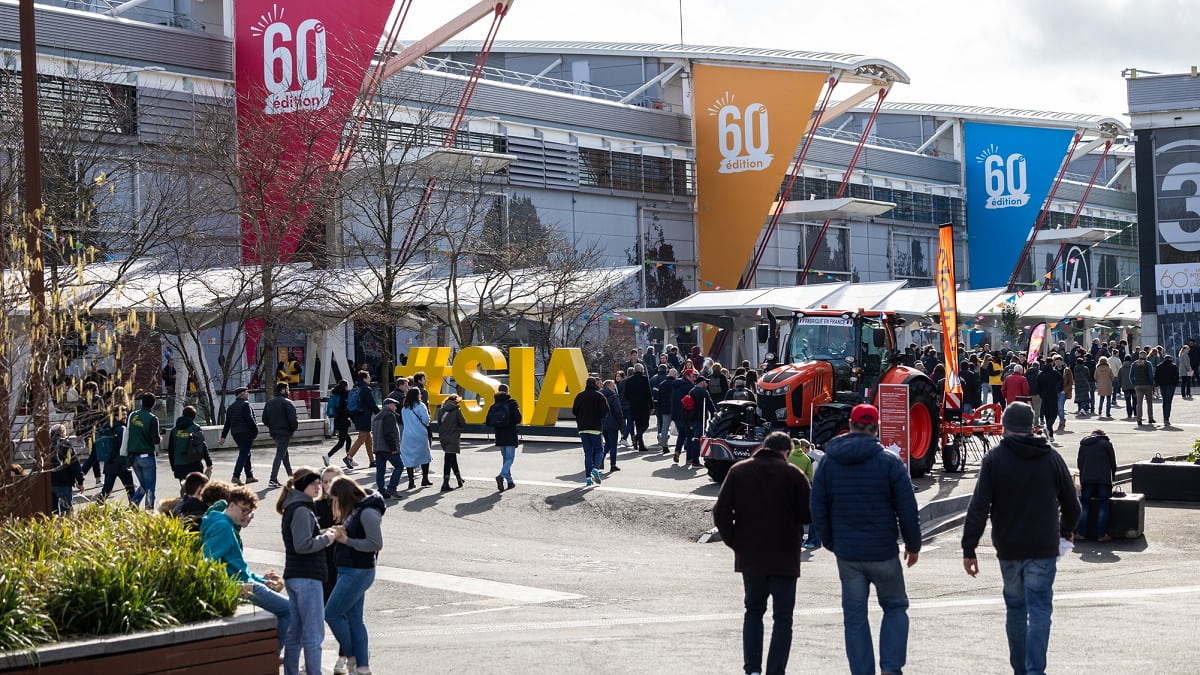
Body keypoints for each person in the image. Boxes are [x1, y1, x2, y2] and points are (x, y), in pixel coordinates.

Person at [962, 402, 1080, 675]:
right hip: (1043, 547)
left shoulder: (994, 459)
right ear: (1032, 426)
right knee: (1039, 609)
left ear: (1004, 426)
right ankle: (1034, 669)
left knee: (1015, 609)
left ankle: (1019, 669)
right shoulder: (1050, 457)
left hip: (1009, 547)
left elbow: (979, 507)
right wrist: (1066, 531)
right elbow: (1072, 504)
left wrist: (969, 548)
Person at [810, 404, 921, 675]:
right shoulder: (889, 462)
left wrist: (831, 542)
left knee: (855, 616)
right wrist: (913, 544)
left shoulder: (828, 461)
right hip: (883, 550)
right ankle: (891, 669)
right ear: (877, 427)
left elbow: (817, 508)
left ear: (850, 424)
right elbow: (907, 508)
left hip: (848, 552)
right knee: (895, 606)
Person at [713, 431, 811, 675]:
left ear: (763, 447)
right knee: (783, 619)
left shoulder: (739, 471)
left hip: (751, 556)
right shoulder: (794, 475)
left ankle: (752, 669)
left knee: (753, 612)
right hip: (785, 557)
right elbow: (809, 515)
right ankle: (775, 671)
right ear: (786, 452)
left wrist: (735, 541)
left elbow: (720, 511)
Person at [201, 484, 291, 654]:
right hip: (242, 586)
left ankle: (270, 655)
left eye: (249, 512)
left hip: (244, 583)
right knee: (290, 610)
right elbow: (207, 562)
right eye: (244, 511)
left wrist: (264, 581)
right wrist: (231, 586)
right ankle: (271, 656)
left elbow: (237, 567)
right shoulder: (223, 526)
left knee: (287, 609)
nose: (246, 516)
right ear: (232, 505)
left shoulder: (222, 522)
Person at [276, 468, 338, 675]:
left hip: (295, 575)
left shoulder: (295, 507)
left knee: (297, 633)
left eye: (319, 483)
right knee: (313, 635)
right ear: (304, 486)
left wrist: (322, 532)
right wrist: (327, 539)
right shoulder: (302, 509)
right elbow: (302, 545)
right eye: (314, 484)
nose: (319, 487)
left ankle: (291, 672)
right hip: (307, 577)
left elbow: (302, 538)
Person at [325, 478, 385, 675]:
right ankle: (362, 668)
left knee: (332, 613)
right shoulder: (358, 508)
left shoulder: (367, 512)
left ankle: (353, 658)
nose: (335, 505)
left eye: (336, 500)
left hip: (357, 571)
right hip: (351, 570)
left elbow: (375, 543)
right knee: (355, 619)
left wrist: (347, 540)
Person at [1075, 429, 1117, 542]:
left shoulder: (1083, 444)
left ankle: (1081, 533)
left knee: (1084, 504)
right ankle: (1101, 535)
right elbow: (1113, 462)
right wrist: (1113, 476)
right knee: (1103, 505)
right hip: (1103, 479)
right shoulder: (1106, 444)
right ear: (1103, 435)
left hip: (1087, 479)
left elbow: (1079, 462)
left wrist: (1083, 475)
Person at [572, 377, 609, 487]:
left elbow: (574, 411)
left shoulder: (580, 396)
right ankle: (596, 469)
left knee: (587, 453)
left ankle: (588, 478)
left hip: (582, 428)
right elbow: (606, 410)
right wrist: (601, 416)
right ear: (595, 384)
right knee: (599, 449)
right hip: (595, 427)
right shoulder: (599, 395)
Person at [127, 392, 162, 510]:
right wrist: (160, 437)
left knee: (143, 484)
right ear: (154, 404)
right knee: (150, 487)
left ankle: (133, 505)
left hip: (133, 457)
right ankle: (149, 510)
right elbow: (155, 440)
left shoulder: (132, 416)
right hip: (147, 456)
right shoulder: (152, 418)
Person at [220, 386, 259, 485]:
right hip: (246, 432)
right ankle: (236, 476)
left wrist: (223, 437)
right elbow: (249, 419)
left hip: (236, 434)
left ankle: (249, 476)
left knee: (246, 453)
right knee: (243, 454)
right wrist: (255, 430)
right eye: (246, 392)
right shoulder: (245, 405)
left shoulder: (231, 407)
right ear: (241, 394)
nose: (248, 394)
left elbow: (227, 423)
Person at [95, 407, 136, 503]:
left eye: (126, 414)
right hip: (121, 463)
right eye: (123, 415)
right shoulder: (122, 429)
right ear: (116, 416)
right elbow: (123, 447)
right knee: (130, 488)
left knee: (107, 489)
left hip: (109, 463)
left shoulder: (107, 427)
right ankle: (134, 508)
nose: (125, 417)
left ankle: (97, 506)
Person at [263, 382, 299, 488]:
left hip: (275, 432)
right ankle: (272, 479)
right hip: (285, 432)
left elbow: (264, 419)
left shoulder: (269, 402)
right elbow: (293, 419)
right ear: (283, 390)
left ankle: (291, 477)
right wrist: (292, 429)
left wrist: (272, 427)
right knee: (280, 454)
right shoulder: (288, 402)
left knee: (284, 455)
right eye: (287, 389)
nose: (289, 391)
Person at [489, 383, 521, 491]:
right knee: (510, 458)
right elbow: (518, 418)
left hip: (499, 435)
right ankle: (501, 476)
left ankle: (510, 481)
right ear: (508, 391)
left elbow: (488, 420)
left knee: (505, 458)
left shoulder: (495, 404)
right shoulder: (511, 403)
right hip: (510, 433)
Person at [167, 405, 213, 481]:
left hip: (179, 465)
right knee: (197, 490)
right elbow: (202, 446)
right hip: (194, 464)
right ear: (193, 417)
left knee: (185, 490)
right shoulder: (196, 428)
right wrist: (209, 463)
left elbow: (171, 450)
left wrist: (174, 467)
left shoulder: (174, 430)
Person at [400, 388, 433, 490]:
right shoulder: (420, 406)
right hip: (419, 434)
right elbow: (426, 420)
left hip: (407, 435)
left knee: (409, 457)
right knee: (424, 456)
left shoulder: (404, 408)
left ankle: (411, 481)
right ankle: (425, 479)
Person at [370, 398, 404, 498]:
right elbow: (389, 433)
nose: (395, 407)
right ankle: (392, 488)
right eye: (394, 405)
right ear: (389, 405)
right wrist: (393, 448)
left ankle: (381, 490)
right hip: (388, 448)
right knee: (399, 466)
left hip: (378, 448)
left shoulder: (377, 417)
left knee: (380, 470)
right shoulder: (389, 415)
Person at [345, 371, 379, 470]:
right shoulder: (365, 389)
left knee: (368, 439)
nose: (370, 378)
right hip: (364, 415)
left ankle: (372, 461)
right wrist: (380, 413)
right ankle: (349, 456)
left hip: (357, 415)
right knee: (362, 437)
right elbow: (371, 404)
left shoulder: (355, 388)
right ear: (364, 378)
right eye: (368, 377)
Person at [48, 424, 84, 514]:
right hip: (64, 481)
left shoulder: (46, 446)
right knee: (66, 511)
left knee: (53, 512)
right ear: (63, 433)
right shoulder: (65, 444)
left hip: (50, 482)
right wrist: (80, 481)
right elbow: (74, 464)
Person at [436, 394, 466, 491]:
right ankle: (445, 483)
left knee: (452, 458)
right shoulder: (457, 411)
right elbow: (462, 423)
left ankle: (459, 479)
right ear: (456, 401)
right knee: (449, 460)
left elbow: (439, 423)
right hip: (453, 436)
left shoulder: (441, 410)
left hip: (443, 436)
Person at [684, 375, 715, 469]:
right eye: (706, 382)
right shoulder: (703, 392)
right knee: (698, 439)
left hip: (691, 418)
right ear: (701, 382)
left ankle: (689, 458)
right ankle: (695, 460)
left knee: (692, 438)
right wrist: (714, 415)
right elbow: (709, 404)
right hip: (700, 418)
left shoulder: (691, 391)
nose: (707, 384)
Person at [323, 380, 353, 468]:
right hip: (343, 421)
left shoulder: (336, 394)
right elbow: (345, 410)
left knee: (348, 440)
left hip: (337, 420)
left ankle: (350, 457)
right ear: (345, 386)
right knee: (341, 443)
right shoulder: (344, 396)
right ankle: (328, 455)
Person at [625, 363, 654, 452]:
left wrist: (631, 400)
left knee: (638, 425)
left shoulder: (629, 380)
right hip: (644, 405)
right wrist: (651, 405)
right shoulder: (644, 379)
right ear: (641, 370)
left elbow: (626, 394)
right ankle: (637, 437)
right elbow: (648, 393)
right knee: (645, 424)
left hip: (633, 405)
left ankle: (640, 444)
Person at [670, 369, 698, 463]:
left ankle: (677, 451)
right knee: (689, 436)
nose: (694, 378)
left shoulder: (675, 385)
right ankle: (689, 458)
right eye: (692, 376)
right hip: (686, 415)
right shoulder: (689, 387)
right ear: (687, 376)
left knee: (681, 434)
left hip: (676, 415)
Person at [600, 379, 625, 471]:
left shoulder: (600, 396)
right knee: (613, 445)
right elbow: (618, 411)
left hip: (603, 423)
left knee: (608, 443)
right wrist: (621, 423)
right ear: (608, 387)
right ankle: (613, 464)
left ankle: (600, 459)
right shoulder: (613, 397)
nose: (614, 387)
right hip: (613, 423)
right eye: (613, 385)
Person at [1035, 361, 1062, 443]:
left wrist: (1041, 394)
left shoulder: (1040, 374)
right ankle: (1049, 427)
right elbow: (1060, 380)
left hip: (1044, 397)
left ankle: (1051, 435)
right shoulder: (1054, 373)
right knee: (1053, 414)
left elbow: (1038, 386)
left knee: (1047, 415)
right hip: (1053, 396)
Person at [654, 368, 677, 453]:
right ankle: (682, 445)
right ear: (675, 375)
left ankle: (664, 446)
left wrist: (659, 408)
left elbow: (659, 397)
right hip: (675, 409)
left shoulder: (662, 384)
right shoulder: (676, 383)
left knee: (665, 428)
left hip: (665, 408)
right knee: (680, 428)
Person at [1130, 351, 1156, 426]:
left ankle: (1139, 419)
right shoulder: (1148, 364)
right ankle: (1150, 418)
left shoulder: (1134, 364)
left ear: (1139, 356)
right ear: (1146, 356)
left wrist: (1134, 384)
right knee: (1149, 402)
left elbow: (1130, 376)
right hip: (1147, 385)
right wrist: (1152, 384)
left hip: (1138, 385)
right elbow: (1150, 375)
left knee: (1139, 403)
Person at [1155, 355, 1179, 427]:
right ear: (1170, 359)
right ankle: (1167, 418)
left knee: (1164, 401)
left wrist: (1157, 384)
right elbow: (1177, 376)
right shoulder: (1173, 366)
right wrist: (1175, 383)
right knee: (1169, 401)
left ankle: (1165, 417)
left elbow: (1156, 376)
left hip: (1163, 385)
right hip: (1171, 385)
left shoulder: (1159, 366)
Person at [1118, 355, 1135, 419]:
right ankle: (1135, 412)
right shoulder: (1133, 367)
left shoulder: (1121, 368)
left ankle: (1129, 413)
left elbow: (1119, 378)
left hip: (1125, 387)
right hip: (1133, 386)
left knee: (1128, 400)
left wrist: (1119, 386)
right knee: (1135, 399)